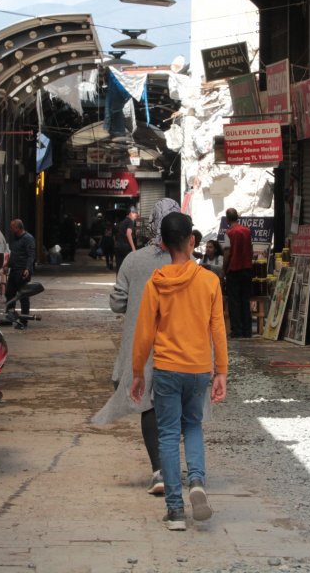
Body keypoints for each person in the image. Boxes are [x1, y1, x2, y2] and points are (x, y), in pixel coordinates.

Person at [93, 199, 206, 498]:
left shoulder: (134, 260)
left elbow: (118, 302)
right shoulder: (192, 265)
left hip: (143, 343)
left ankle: (160, 472)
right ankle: (192, 475)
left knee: (149, 404)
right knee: (184, 413)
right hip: (181, 344)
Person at [130, 211, 227, 531]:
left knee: (169, 434)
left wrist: (137, 373)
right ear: (192, 241)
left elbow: (144, 333)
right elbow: (218, 329)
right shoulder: (210, 281)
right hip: (199, 369)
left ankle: (174, 511)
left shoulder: (156, 283)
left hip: (167, 369)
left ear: (162, 244)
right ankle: (197, 481)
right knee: (194, 425)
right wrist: (221, 372)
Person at [221, 208, 254, 338]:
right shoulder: (247, 231)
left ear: (227, 219)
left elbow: (228, 252)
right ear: (237, 217)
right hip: (247, 268)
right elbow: (251, 250)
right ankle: (247, 330)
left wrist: (224, 270)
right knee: (245, 300)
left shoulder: (228, 233)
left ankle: (237, 330)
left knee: (234, 301)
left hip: (234, 269)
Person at [6, 219, 37, 319]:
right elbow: (14, 255)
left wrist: (27, 269)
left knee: (23, 296)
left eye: (12, 227)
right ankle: (9, 317)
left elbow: (31, 256)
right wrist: (8, 265)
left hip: (22, 272)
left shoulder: (28, 238)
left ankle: (24, 320)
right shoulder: (14, 238)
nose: (10, 229)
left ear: (17, 228)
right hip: (14, 271)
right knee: (10, 294)